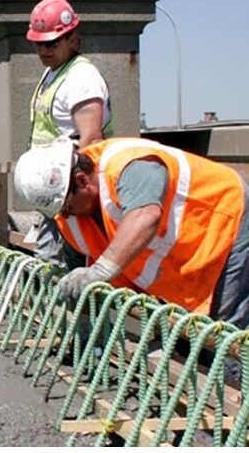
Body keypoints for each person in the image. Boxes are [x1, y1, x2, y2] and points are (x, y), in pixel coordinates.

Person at [13, 136, 249, 328]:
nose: (65, 215)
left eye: (66, 206)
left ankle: (233, 383)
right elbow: (79, 272)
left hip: (225, 221)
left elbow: (145, 217)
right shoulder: (70, 217)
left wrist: (100, 272)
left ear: (82, 180)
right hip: (187, 255)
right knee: (190, 333)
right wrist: (82, 324)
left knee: (221, 333)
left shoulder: (128, 165)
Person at [25, 0, 113, 267]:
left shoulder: (81, 79)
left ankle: (79, 309)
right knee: (49, 260)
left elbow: (91, 140)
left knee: (70, 258)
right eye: (39, 43)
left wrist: (74, 195)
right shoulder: (54, 72)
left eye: (52, 42)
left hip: (70, 190)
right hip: (54, 189)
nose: (43, 50)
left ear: (73, 38)